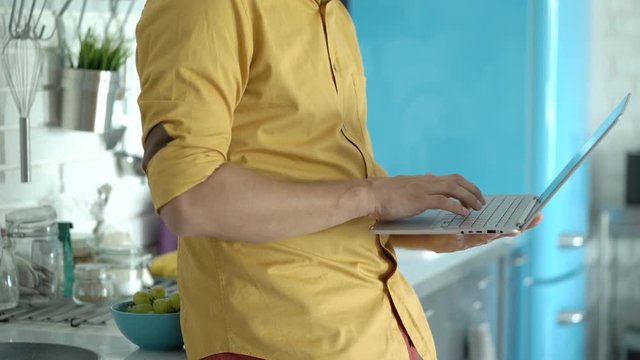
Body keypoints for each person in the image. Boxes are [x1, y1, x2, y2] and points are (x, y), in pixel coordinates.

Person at [135, 1, 542, 359]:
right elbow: (191, 199)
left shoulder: (332, 15)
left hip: (380, 331)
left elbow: (323, 175)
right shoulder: (203, 6)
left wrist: (426, 228)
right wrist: (375, 195)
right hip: (280, 340)